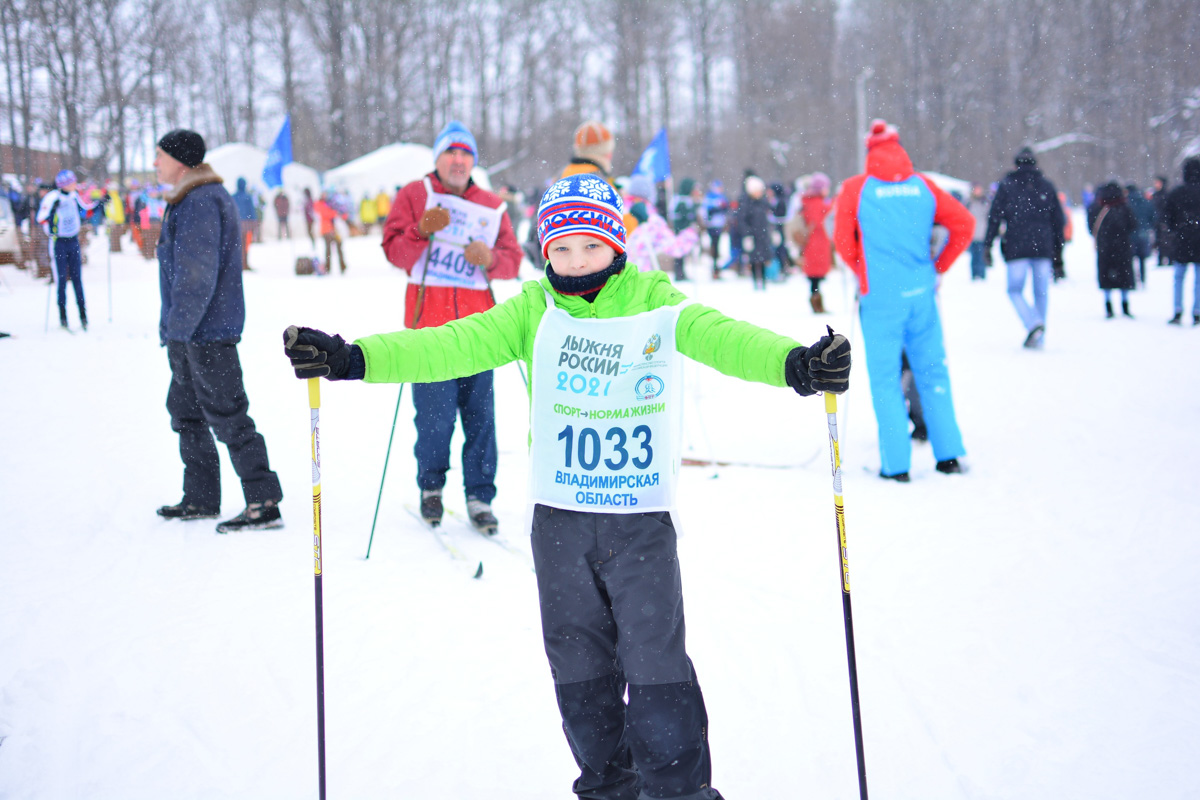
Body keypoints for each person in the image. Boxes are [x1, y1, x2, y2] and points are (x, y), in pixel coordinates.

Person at [283, 172, 851, 800]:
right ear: (544, 250)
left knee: (657, 667)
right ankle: (609, 789)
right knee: (579, 672)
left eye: (591, 247)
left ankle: (680, 793)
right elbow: (450, 345)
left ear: (617, 247)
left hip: (638, 521)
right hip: (560, 523)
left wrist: (795, 364)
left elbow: (722, 337)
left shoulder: (655, 302)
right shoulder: (534, 310)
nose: (576, 262)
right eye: (561, 248)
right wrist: (353, 358)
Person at [379, 120, 521, 531]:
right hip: (430, 329)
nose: (459, 161)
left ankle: (479, 496)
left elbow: (511, 260)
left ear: (473, 161)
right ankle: (431, 488)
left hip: (481, 329)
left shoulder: (492, 204)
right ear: (438, 158)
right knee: (434, 418)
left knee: (481, 418)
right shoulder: (415, 195)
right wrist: (420, 230)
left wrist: (490, 259)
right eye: (451, 152)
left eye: (466, 154)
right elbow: (395, 253)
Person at [152, 128, 283, 533]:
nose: (155, 163)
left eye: (160, 156)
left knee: (228, 414)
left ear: (181, 160)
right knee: (187, 412)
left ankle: (263, 500)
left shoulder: (201, 200)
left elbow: (196, 277)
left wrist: (179, 330)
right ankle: (202, 496)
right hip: (192, 331)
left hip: (206, 333)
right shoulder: (189, 198)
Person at [834, 119, 974, 481]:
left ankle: (896, 465)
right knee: (932, 372)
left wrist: (864, 272)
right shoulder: (923, 186)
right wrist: (938, 266)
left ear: (870, 151)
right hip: (920, 292)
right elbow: (964, 224)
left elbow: (843, 242)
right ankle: (948, 455)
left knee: (885, 379)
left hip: (880, 297)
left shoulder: (856, 188)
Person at [983, 147, 1065, 349]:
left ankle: (1032, 323)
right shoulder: (1046, 186)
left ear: (1016, 164)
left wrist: (988, 244)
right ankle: (1039, 331)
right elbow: (1058, 221)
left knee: (1014, 289)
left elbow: (995, 217)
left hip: (1016, 245)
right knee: (1041, 292)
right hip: (1043, 246)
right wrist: (1058, 253)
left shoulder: (1007, 185)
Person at [36, 169, 105, 330]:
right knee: (61, 280)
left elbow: (85, 211)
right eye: (72, 182)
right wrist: (52, 212)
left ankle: (83, 315)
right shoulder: (52, 197)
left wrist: (99, 204)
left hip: (73, 241)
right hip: (58, 242)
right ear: (64, 184)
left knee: (77, 279)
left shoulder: (74, 196)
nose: (75, 184)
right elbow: (41, 218)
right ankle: (63, 315)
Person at [1087, 181, 1137, 319]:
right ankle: (1125, 305)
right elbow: (1133, 225)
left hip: (1105, 247)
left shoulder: (1098, 207)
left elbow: (1091, 227)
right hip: (1123, 247)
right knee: (1124, 276)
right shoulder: (1125, 207)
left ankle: (1108, 306)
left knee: (1106, 276)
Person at [1163, 157, 1200, 325]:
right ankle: (1197, 311)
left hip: (1182, 239)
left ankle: (1178, 310)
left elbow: (1167, 216)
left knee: (1179, 276)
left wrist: (1175, 230)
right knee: (1199, 278)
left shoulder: (1176, 192)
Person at [793, 172, 834, 312]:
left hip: (814, 243)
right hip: (816, 243)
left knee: (815, 276)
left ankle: (816, 301)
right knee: (815, 276)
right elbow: (819, 222)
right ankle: (817, 303)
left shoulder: (809, 201)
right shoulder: (817, 203)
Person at [737, 175, 773, 290]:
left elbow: (769, 218)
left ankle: (763, 281)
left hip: (763, 235)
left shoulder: (763, 203)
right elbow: (742, 220)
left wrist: (772, 231)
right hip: (753, 236)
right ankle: (755, 281)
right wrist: (747, 235)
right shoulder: (746, 204)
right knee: (753, 259)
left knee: (763, 259)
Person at [669, 177, 702, 281]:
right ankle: (679, 273)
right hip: (681, 231)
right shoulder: (682, 201)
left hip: (683, 231)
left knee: (683, 254)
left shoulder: (685, 200)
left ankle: (681, 272)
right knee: (679, 254)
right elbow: (681, 216)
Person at [1126, 183, 1155, 285]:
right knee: (1142, 258)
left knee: (1130, 257)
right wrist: (1147, 227)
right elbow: (1153, 217)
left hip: (1129, 234)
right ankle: (1142, 278)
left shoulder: (1127, 203)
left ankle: (1132, 279)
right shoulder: (1145, 202)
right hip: (1143, 233)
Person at [314, 192, 347, 273]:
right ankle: (328, 267)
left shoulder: (329, 204)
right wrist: (335, 212)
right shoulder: (319, 204)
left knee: (338, 246)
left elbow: (341, 214)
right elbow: (326, 214)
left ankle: (342, 266)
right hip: (326, 230)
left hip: (333, 229)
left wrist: (341, 212)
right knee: (328, 250)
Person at [702, 180, 728, 273]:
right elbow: (706, 211)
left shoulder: (722, 197)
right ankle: (714, 266)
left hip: (719, 225)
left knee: (717, 245)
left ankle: (716, 266)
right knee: (714, 244)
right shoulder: (709, 197)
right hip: (712, 225)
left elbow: (725, 209)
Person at [231, 177, 257, 270]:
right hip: (247, 224)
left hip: (237, 223)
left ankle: (240, 263)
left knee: (238, 245)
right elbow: (251, 210)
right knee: (246, 244)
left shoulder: (233, 196)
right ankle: (245, 263)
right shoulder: (247, 196)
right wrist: (254, 222)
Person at [965, 184, 989, 280]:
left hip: (982, 233)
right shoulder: (969, 202)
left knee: (981, 255)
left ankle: (981, 274)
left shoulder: (985, 202)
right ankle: (974, 274)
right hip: (972, 233)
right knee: (974, 255)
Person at [1152, 175, 1170, 266]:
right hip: (1157, 221)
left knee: (1166, 241)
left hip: (1164, 221)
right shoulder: (1155, 195)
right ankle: (1160, 258)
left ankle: (1169, 258)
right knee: (1159, 241)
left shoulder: (1167, 195)